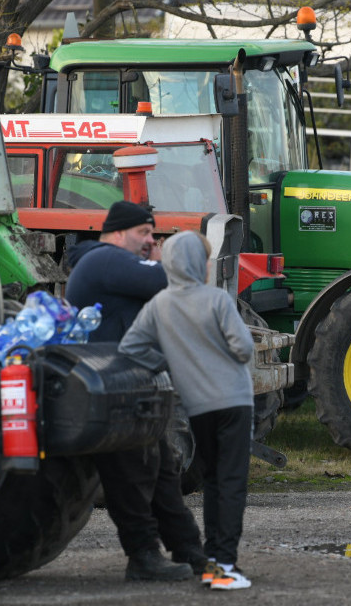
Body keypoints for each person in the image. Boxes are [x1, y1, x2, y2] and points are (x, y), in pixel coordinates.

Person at [65, 200, 206, 580]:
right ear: (116, 232)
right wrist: (165, 260)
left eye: (152, 234)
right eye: (143, 233)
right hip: (111, 388)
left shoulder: (111, 262)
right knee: (132, 476)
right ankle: (142, 558)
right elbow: (174, 282)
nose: (149, 240)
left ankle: (190, 551)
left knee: (160, 472)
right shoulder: (104, 258)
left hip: (126, 385)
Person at [119, 231, 256, 590]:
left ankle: (213, 560)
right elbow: (243, 349)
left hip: (197, 406)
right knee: (232, 484)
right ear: (200, 263)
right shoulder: (216, 299)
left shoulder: (159, 304)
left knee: (212, 481)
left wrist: (169, 363)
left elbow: (130, 348)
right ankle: (223, 565)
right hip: (234, 402)